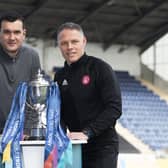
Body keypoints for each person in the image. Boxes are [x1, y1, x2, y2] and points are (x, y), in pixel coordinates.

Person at [54, 22, 122, 168]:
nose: (70, 47)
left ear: (84, 41)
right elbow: (58, 113)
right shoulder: (59, 76)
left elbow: (114, 108)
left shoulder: (100, 68)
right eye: (64, 43)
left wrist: (88, 132)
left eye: (74, 41)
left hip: (102, 148)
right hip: (75, 146)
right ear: (59, 45)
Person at [0, 11, 41, 134]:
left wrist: (29, 131)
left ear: (24, 34)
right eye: (7, 32)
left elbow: (35, 98)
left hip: (22, 135)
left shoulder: (32, 56)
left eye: (16, 32)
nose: (12, 38)